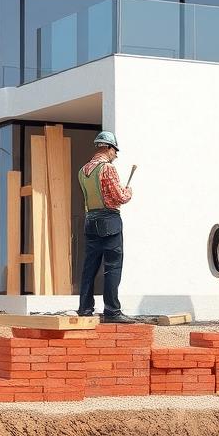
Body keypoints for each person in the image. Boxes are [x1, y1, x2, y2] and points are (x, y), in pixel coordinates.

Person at [76, 130, 136, 324]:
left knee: (89, 267)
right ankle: (112, 310)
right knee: (112, 266)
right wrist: (128, 192)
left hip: (90, 221)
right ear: (108, 148)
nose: (115, 155)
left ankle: (85, 308)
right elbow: (119, 197)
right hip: (109, 221)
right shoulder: (107, 169)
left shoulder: (83, 170)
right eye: (115, 151)